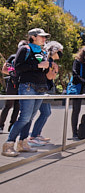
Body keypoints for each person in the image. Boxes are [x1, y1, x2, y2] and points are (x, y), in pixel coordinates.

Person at [2, 28, 50, 157]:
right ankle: (9, 144)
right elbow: (17, 67)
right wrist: (38, 66)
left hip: (40, 87)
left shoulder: (42, 51)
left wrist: (46, 68)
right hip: (27, 86)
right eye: (42, 36)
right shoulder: (25, 49)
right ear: (33, 37)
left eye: (45, 37)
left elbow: (42, 70)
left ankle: (23, 143)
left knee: (30, 118)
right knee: (24, 117)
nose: (44, 39)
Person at [29, 41, 63, 146]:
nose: (61, 54)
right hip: (43, 88)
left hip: (45, 88)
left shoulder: (49, 60)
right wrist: (55, 71)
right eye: (60, 51)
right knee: (44, 112)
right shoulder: (48, 60)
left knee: (45, 112)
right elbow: (49, 76)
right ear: (54, 51)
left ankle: (36, 134)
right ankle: (33, 136)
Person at [0, 40, 28, 133]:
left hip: (22, 84)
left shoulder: (27, 59)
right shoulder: (12, 57)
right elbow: (4, 69)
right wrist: (13, 73)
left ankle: (12, 126)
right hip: (12, 84)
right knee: (8, 105)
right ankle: (0, 125)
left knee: (17, 106)